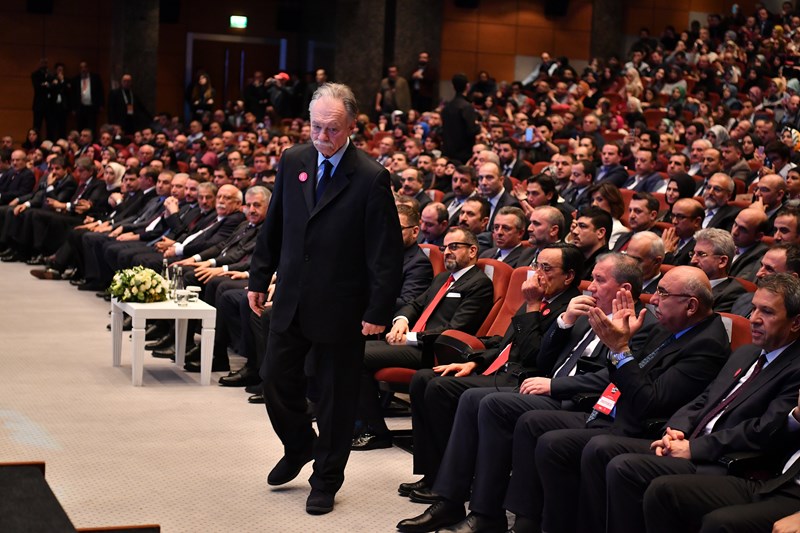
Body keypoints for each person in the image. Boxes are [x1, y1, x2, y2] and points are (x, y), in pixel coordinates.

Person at [247, 83, 403, 515]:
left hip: (342, 306)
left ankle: (326, 479)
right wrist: (258, 276)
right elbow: (275, 224)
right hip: (292, 297)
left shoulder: (371, 177)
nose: (322, 136)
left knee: (335, 400)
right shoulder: (293, 159)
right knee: (274, 378)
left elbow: (385, 253)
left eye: (332, 129)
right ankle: (300, 445)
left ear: (352, 126)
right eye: (315, 127)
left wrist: (378, 310)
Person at [584, 273, 800, 533]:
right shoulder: (747, 353)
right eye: (753, 308)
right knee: (601, 449)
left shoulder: (795, 367)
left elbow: (763, 429)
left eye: (767, 312)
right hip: (687, 440)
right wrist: (676, 428)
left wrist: (694, 448)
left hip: (725, 460)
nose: (753, 318)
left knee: (624, 467)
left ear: (796, 323)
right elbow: (706, 397)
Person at [441, 74, 480, 165]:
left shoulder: (447, 107)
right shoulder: (466, 106)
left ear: (453, 87)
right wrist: (478, 126)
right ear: (467, 86)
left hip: (448, 151)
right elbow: (471, 130)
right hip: (463, 154)